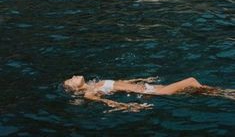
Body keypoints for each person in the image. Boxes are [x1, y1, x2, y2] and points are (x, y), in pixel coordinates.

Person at [64, 75, 223, 112]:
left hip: (148, 87)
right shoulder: (89, 93)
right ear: (75, 89)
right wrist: (130, 107)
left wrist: (143, 79)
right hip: (155, 92)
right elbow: (108, 103)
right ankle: (224, 94)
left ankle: (226, 94)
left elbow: (121, 83)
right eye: (71, 80)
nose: (73, 77)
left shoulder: (94, 83)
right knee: (191, 81)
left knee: (197, 90)